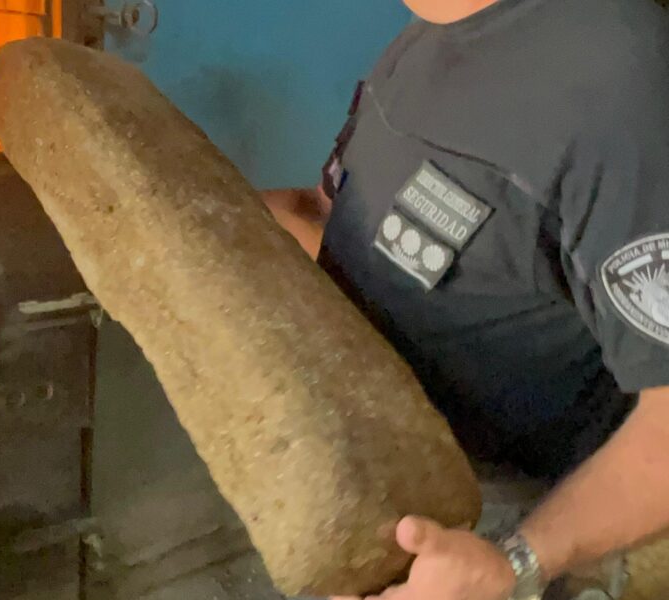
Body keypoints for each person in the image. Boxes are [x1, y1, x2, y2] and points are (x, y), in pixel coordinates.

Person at [263, 0, 669, 598]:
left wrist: (515, 563)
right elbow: (334, 220)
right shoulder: (427, 36)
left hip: (507, 519)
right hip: (365, 456)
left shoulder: (619, 79)